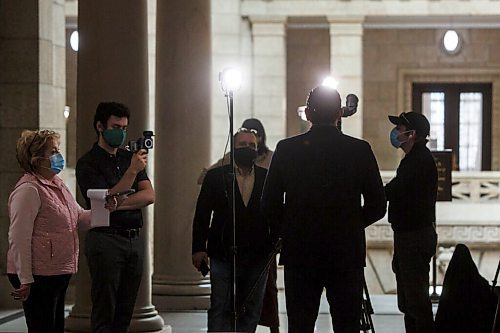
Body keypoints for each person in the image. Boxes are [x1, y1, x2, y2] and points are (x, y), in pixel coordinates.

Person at [261, 86, 387, 333]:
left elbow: (268, 203)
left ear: (307, 113)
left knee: (300, 324)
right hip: (345, 252)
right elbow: (378, 205)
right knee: (347, 324)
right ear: (339, 114)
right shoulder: (359, 150)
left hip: (300, 251)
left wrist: (290, 228)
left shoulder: (287, 150)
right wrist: (349, 223)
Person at [7, 129, 116, 333]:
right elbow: (18, 237)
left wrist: (105, 207)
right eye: (53, 151)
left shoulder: (57, 184)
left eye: (58, 150)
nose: (59, 156)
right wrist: (25, 278)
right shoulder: (29, 190)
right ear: (37, 158)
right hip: (38, 274)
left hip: (56, 270)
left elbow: (78, 218)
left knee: (55, 327)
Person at [76, 102, 154, 332]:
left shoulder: (129, 156)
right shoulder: (88, 163)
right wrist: (131, 173)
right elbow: (98, 203)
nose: (120, 132)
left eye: (124, 127)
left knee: (126, 308)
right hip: (106, 239)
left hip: (133, 237)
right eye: (115, 126)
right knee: (105, 307)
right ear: (100, 126)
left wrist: (114, 201)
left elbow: (149, 195)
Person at [197, 118, 279, 333]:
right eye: (242, 145)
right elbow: (202, 214)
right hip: (223, 253)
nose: (248, 149)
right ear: (233, 148)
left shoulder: (267, 178)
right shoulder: (216, 177)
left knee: (251, 308)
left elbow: (276, 212)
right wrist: (198, 248)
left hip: (258, 255)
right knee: (220, 307)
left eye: (251, 146)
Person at [385, 111, 438, 333]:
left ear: (411, 134)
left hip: (413, 238)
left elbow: (396, 190)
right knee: (408, 302)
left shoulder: (418, 161)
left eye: (399, 129)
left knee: (415, 302)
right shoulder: (414, 159)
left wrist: (371, 192)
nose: (396, 133)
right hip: (410, 236)